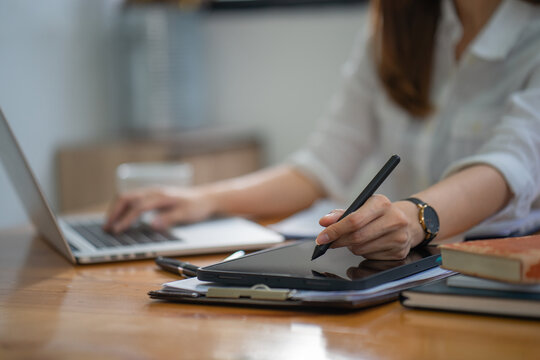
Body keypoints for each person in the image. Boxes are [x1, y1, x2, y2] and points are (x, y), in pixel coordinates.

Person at [104, 0, 540, 260]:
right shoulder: (399, 23)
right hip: (391, 272)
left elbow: (509, 165)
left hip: (492, 270)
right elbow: (319, 164)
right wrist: (204, 199)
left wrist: (414, 217)